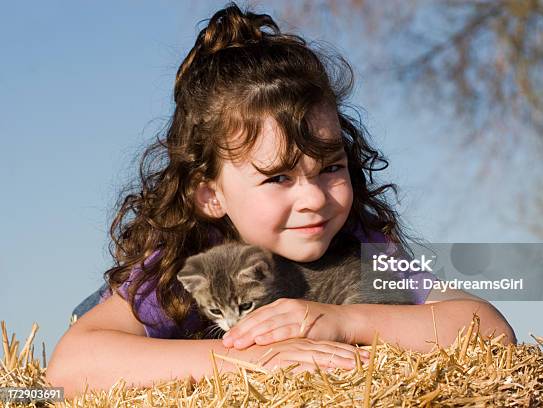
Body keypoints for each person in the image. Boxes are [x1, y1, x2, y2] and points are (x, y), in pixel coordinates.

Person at [47, 2, 516, 399]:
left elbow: (489, 330)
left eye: (331, 167)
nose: (313, 198)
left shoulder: (358, 240)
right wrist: (254, 362)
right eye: (278, 178)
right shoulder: (188, 259)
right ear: (211, 195)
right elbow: (67, 370)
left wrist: (342, 320)